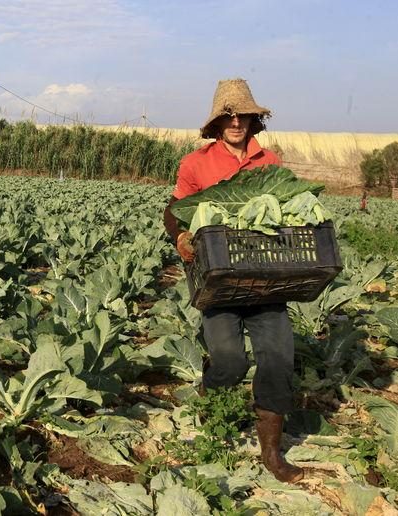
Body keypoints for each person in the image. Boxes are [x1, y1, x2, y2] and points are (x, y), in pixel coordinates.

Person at [162, 78, 304, 483]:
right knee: (230, 360)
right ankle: (213, 388)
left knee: (277, 359)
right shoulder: (196, 163)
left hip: (265, 278)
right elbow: (175, 210)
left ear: (253, 120)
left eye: (243, 115)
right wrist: (180, 236)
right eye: (228, 116)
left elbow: (289, 211)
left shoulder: (269, 162)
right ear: (216, 124)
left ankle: (272, 455)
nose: (236, 122)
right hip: (219, 280)